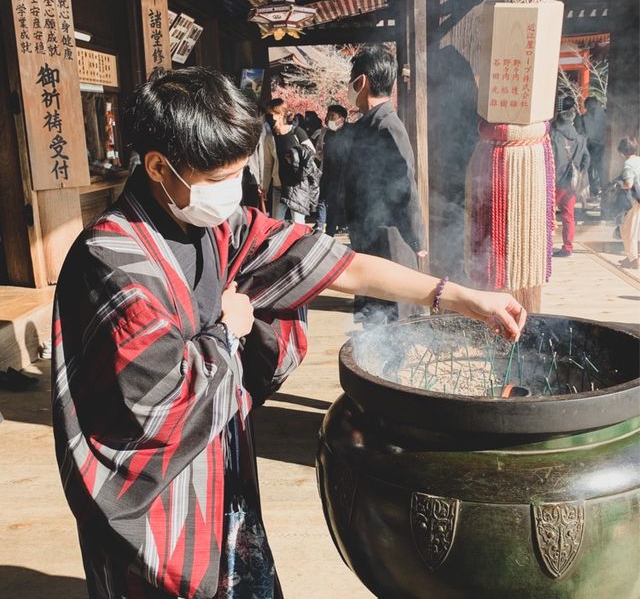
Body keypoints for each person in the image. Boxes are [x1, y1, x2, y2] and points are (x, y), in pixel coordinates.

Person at [52, 66, 526, 599]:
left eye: (238, 172)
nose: (232, 191)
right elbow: (152, 408)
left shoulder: (217, 228)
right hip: (157, 507)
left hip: (220, 473)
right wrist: (227, 333)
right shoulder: (110, 261)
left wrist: (460, 298)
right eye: (217, 179)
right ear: (160, 167)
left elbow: (338, 265)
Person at [343, 45, 426, 325]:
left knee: (391, 326)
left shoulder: (387, 126)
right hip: (371, 237)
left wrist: (417, 237)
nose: (349, 86)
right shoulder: (370, 123)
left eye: (351, 78)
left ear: (362, 81)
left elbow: (405, 185)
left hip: (389, 241)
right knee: (375, 324)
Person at [551, 98, 590, 257]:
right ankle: (568, 247)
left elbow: (550, 157)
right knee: (568, 215)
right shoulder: (580, 138)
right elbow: (587, 158)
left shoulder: (553, 136)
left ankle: (545, 245)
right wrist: (580, 172)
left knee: (548, 213)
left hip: (557, 180)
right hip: (573, 182)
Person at [266, 98, 315, 223]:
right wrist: (264, 186)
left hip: (297, 185)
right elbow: (268, 164)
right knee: (276, 224)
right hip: (278, 185)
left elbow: (311, 152)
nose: (269, 117)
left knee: (298, 224)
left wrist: (295, 156)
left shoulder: (297, 132)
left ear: (280, 114)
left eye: (271, 114)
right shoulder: (270, 137)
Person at [314, 104, 350, 235]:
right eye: (328, 116)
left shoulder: (349, 132)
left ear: (342, 118)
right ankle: (326, 232)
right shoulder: (327, 134)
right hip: (329, 174)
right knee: (327, 203)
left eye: (332, 116)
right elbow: (321, 153)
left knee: (342, 206)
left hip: (346, 177)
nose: (328, 119)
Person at [243, 109, 278, 211]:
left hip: (240, 174)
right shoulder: (258, 128)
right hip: (253, 174)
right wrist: (262, 181)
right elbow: (262, 156)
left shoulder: (236, 125)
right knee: (252, 208)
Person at [576, 96, 607, 197]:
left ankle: (605, 190)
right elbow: (580, 133)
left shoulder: (605, 114)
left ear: (597, 104)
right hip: (590, 146)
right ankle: (594, 190)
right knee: (589, 168)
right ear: (586, 106)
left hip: (603, 146)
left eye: (593, 105)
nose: (592, 108)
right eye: (589, 106)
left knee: (602, 168)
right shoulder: (583, 118)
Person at [617, 137, 640, 269]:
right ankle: (632, 256)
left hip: (635, 201)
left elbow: (629, 184)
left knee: (628, 229)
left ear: (621, 152)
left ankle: (633, 259)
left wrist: (619, 185)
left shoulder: (628, 164)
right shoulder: (639, 160)